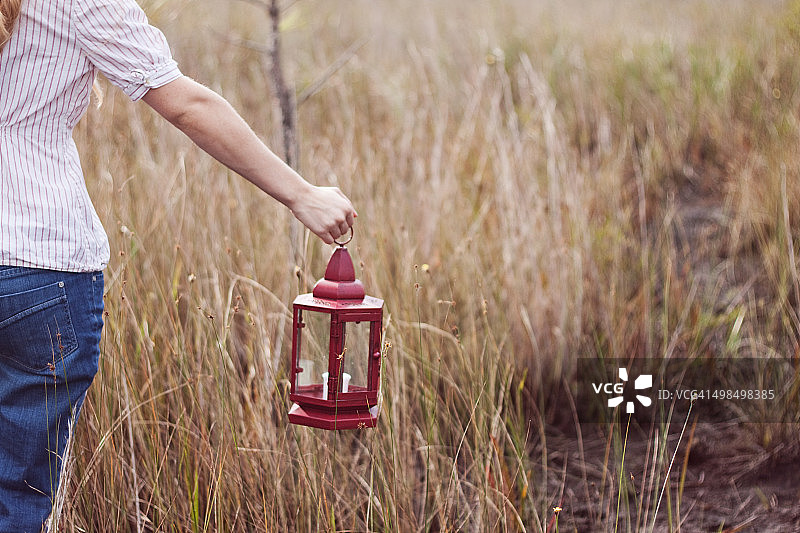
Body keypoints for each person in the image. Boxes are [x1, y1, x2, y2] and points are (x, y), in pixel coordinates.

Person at [0, 0, 356, 530]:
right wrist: (300, 194)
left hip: (35, 272)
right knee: (21, 496)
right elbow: (186, 104)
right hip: (40, 265)